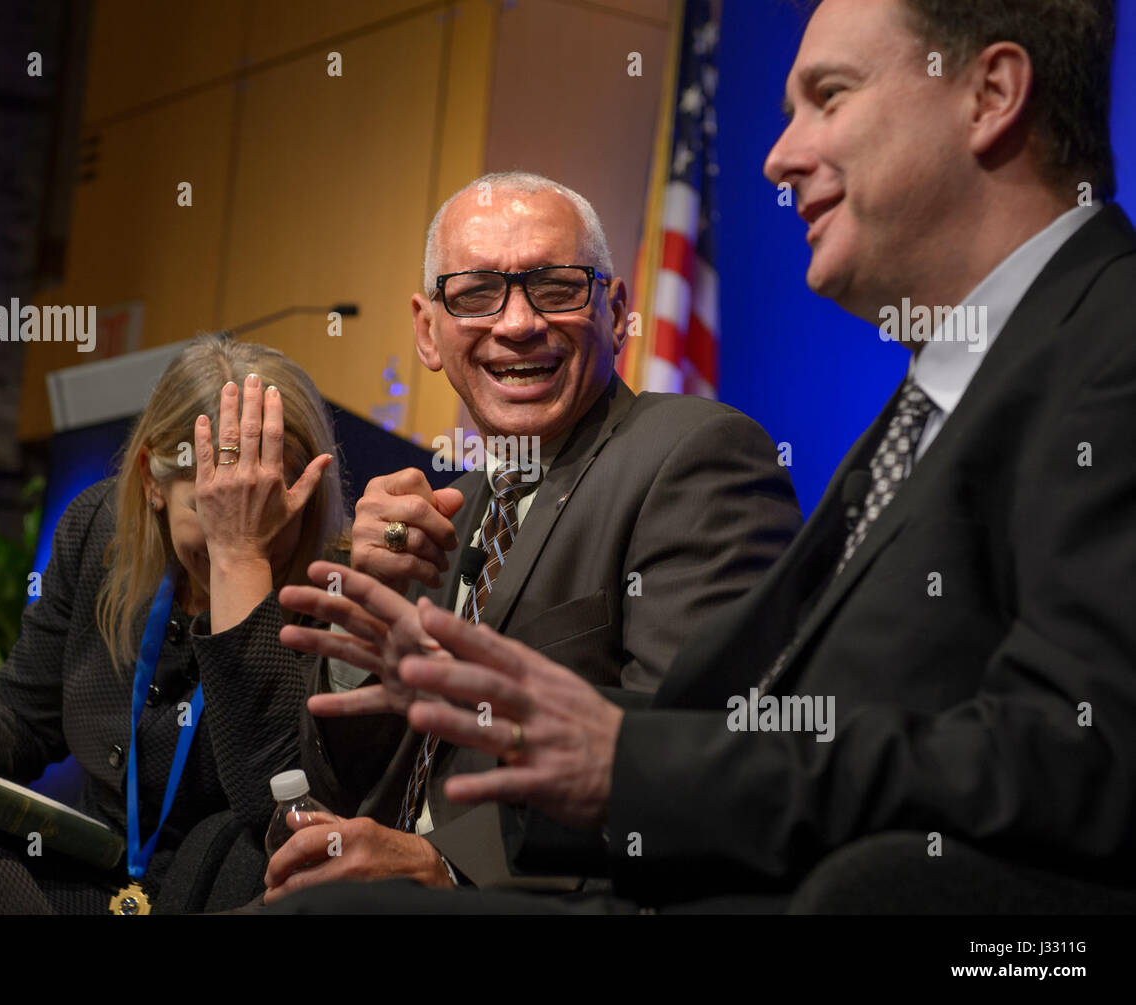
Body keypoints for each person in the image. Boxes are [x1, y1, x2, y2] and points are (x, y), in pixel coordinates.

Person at [257, 0, 1136, 913]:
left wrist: (613, 769)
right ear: (427, 329)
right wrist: (500, 706)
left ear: (990, 94)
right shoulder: (940, 399)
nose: (778, 157)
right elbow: (777, 721)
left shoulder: (1110, 349)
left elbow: (1085, 759)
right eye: (477, 293)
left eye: (830, 96)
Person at [257, 171, 802, 897]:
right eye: (476, 292)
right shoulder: (436, 518)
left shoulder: (693, 454)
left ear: (615, 312)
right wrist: (365, 618)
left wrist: (443, 865)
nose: (517, 323)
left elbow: (694, 752)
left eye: (555, 287)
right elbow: (345, 787)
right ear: (427, 331)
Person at [0, 334, 347, 914]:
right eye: (213, 509)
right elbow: (25, 717)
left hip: (229, 888)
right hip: (96, 867)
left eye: (265, 510)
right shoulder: (97, 528)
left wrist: (240, 563)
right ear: (152, 482)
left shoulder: (340, 594)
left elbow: (276, 803)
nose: (239, 532)